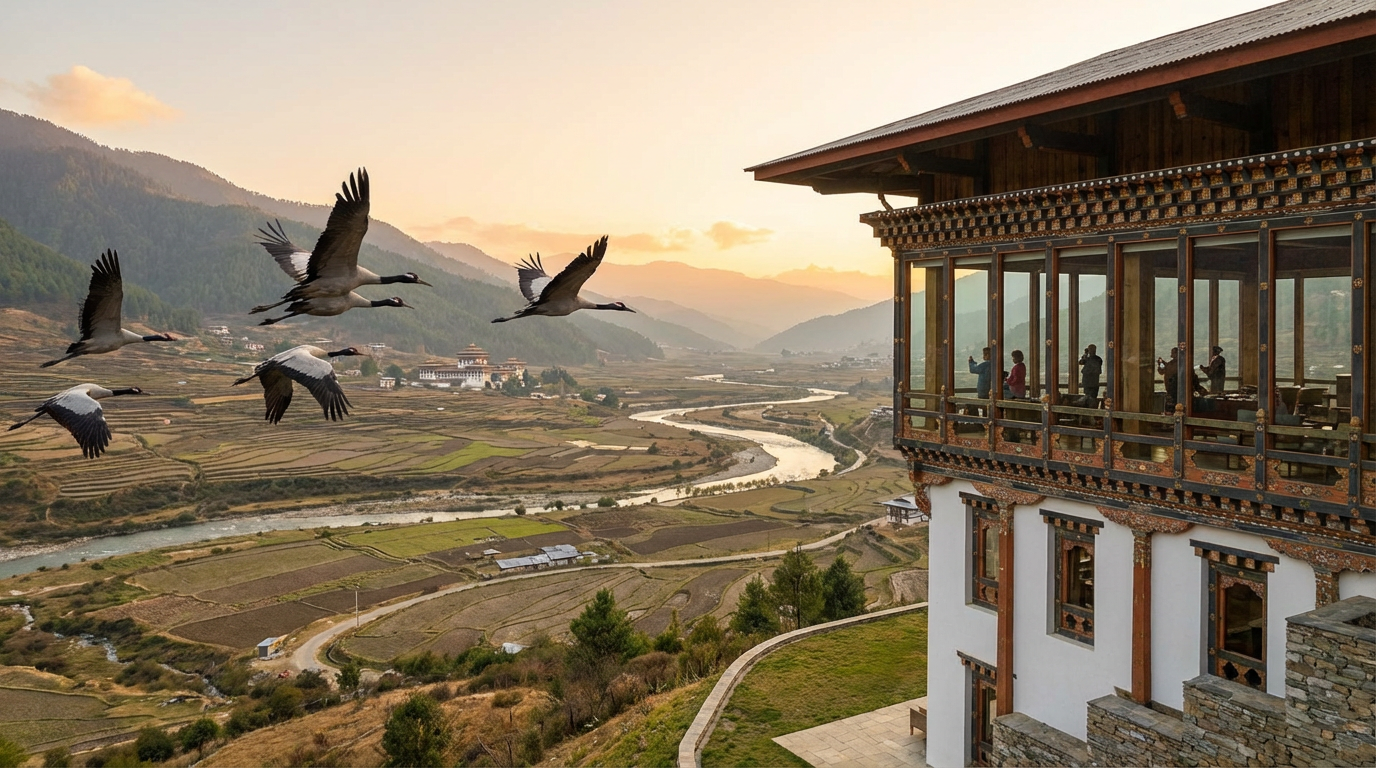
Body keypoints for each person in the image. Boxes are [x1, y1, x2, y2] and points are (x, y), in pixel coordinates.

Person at [1157, 348, 1179, 413]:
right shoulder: (1174, 364)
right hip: (1172, 391)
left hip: (1172, 391)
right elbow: (1165, 369)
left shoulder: (1174, 364)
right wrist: (1162, 363)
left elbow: (1163, 370)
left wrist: (1161, 364)